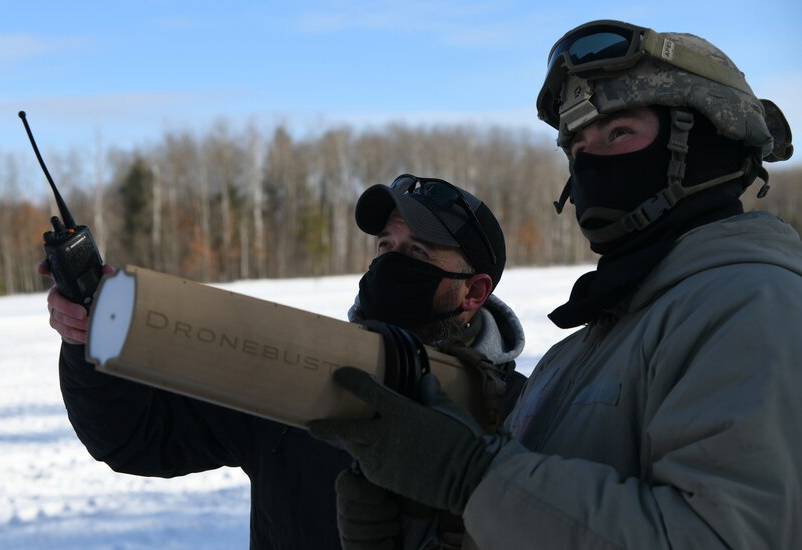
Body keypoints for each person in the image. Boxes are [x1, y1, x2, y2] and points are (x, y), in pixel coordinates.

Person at [308, 20, 802, 549]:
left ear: (707, 140)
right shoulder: (579, 352)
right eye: (578, 147)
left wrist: (469, 476)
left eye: (619, 133)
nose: (592, 163)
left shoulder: (753, 305)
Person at [40, 174, 525, 550]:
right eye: (385, 247)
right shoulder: (301, 373)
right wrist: (86, 340)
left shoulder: (524, 413)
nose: (389, 263)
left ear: (474, 291)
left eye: (417, 251)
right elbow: (138, 438)